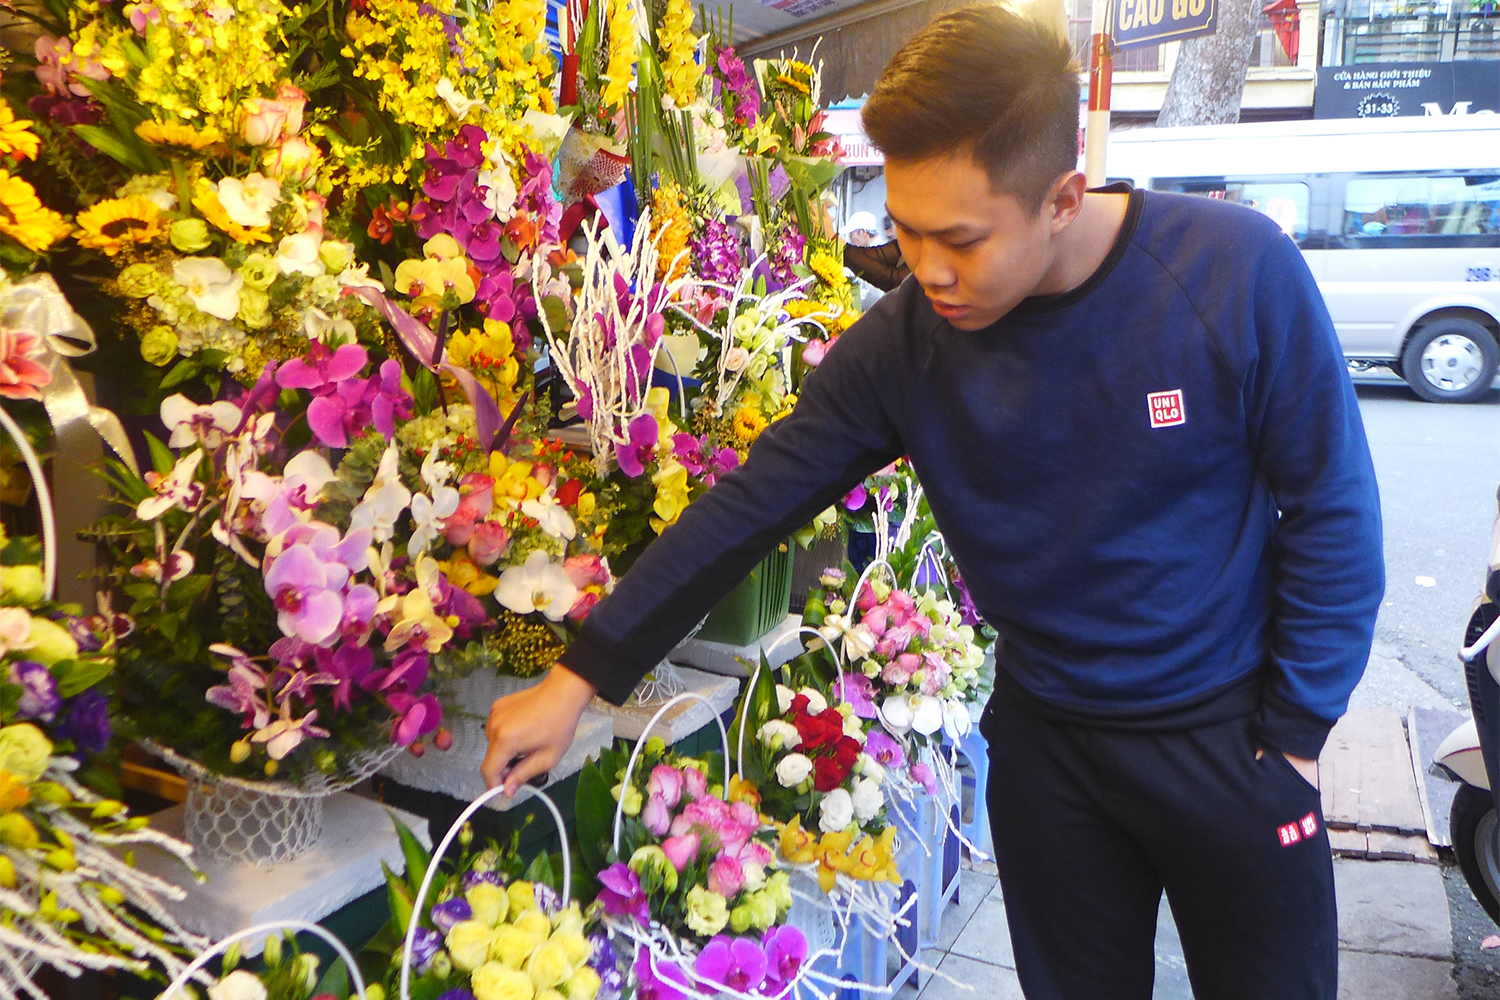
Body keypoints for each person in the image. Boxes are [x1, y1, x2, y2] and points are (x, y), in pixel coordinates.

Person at [481, 6, 1384, 999]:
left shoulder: (1232, 271)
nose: (928, 272)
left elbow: (1334, 512)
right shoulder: (906, 345)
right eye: (904, 233)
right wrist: (579, 677)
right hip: (1053, 754)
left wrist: (1295, 738)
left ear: (1062, 197)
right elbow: (750, 506)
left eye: (959, 239)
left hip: (1230, 740)